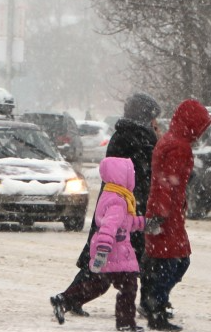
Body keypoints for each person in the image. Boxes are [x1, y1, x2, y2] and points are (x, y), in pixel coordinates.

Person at [52, 93, 161, 318]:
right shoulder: (134, 137)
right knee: (116, 262)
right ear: (144, 116)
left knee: (109, 261)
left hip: (124, 203)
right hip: (124, 206)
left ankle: (71, 298)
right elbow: (144, 170)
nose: (156, 123)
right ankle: (144, 307)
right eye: (153, 118)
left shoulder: (129, 135)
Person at [50, 156, 146, 332]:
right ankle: (125, 322)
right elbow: (109, 227)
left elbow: (125, 224)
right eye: (130, 174)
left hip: (111, 251)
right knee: (128, 287)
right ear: (122, 176)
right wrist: (103, 250)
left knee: (98, 285)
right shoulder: (119, 200)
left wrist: (144, 223)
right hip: (115, 252)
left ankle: (64, 300)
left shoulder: (111, 195)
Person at [141, 98, 211, 332]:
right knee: (173, 262)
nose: (202, 133)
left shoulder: (170, 141)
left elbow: (165, 182)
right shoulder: (179, 147)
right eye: (200, 126)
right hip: (167, 214)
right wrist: (162, 213)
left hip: (166, 211)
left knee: (163, 261)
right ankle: (156, 308)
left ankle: (152, 302)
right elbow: (167, 183)